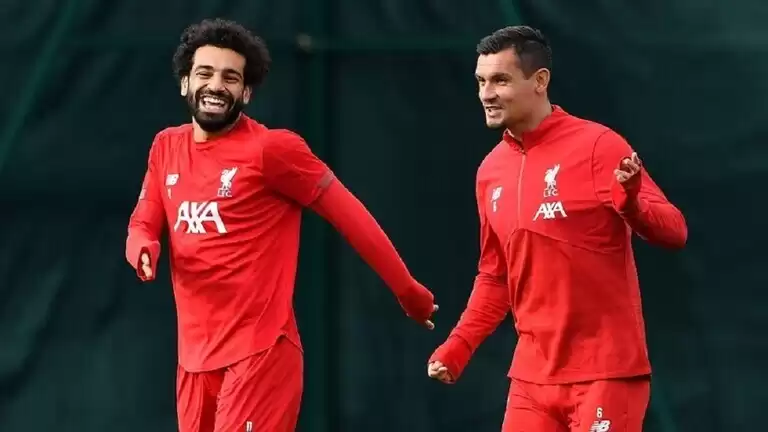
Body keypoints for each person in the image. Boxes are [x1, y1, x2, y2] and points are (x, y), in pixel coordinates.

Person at [125, 18, 438, 432]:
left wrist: (407, 290)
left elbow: (351, 216)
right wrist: (143, 245)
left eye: (230, 77)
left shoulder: (272, 150)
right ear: (185, 83)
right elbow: (144, 219)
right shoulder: (166, 146)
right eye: (205, 73)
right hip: (193, 360)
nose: (216, 85)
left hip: (261, 355)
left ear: (246, 92)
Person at [427, 26, 687, 432]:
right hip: (531, 379)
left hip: (605, 374)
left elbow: (675, 232)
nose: (486, 94)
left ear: (540, 81)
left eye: (500, 80)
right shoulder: (490, 171)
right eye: (480, 81)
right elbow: (496, 277)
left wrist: (632, 205)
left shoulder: (599, 146)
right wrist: (458, 346)